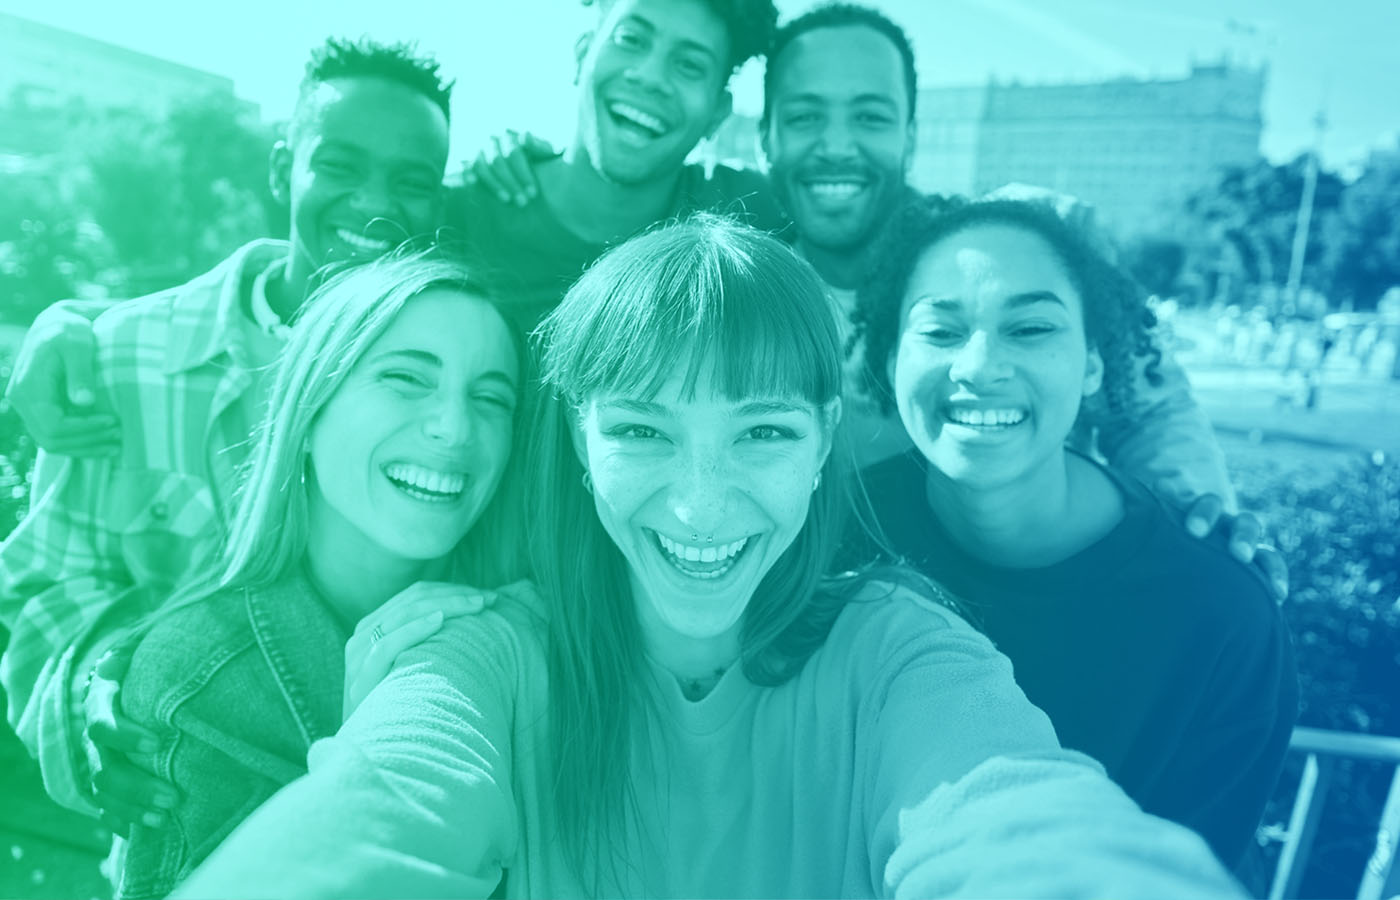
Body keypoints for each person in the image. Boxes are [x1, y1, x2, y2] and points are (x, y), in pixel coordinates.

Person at [172, 217, 1242, 899]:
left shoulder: (903, 655)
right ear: (577, 441)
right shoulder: (483, 663)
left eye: (762, 433)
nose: (697, 501)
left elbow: (1023, 827)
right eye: (639, 431)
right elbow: (375, 813)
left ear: (825, 440)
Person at [459, 3, 1289, 600]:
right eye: (805, 116)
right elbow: (608, 191)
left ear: (912, 135)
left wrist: (1199, 510)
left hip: (1009, 627)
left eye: (871, 116)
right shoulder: (729, 255)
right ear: (764, 133)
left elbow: (1148, 401)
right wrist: (524, 161)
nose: (836, 146)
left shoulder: (984, 258)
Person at [0, 37, 454, 823]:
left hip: (378, 823)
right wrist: (83, 697)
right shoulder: (121, 358)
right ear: (283, 169)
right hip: (172, 825)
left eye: (411, 181)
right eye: (339, 167)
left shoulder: (448, 399)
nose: (375, 203)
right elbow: (45, 587)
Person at [853, 197, 1297, 867]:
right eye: (941, 331)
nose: (980, 365)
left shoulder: (1223, 622)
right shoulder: (830, 537)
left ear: (1094, 363)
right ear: (890, 360)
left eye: (1030, 328)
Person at [104, 251, 527, 899]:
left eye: (491, 397)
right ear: (308, 411)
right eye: (407, 378)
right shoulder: (198, 681)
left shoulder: (522, 629)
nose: (454, 427)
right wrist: (362, 755)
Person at [443, 0, 787, 335]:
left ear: (717, 113)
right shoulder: (457, 217)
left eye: (690, 65)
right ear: (582, 53)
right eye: (630, 39)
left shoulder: (750, 217)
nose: (650, 76)